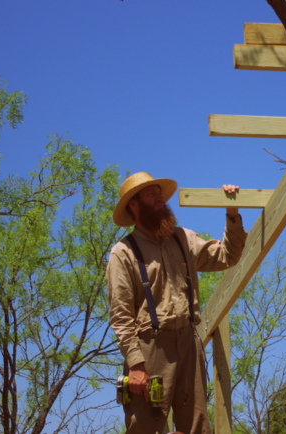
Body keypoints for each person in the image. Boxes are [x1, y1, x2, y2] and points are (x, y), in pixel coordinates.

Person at [106, 172, 247, 434]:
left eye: (160, 193)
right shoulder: (124, 252)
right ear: (134, 205)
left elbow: (228, 256)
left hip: (188, 342)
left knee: (197, 425)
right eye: (151, 194)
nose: (160, 198)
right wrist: (136, 365)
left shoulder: (183, 239)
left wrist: (232, 212)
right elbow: (121, 316)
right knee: (146, 426)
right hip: (150, 347)